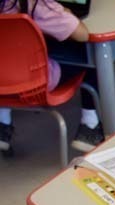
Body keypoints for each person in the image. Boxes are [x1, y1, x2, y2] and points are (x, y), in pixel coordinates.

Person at [0, 0, 104, 155]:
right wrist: (65, 13)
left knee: (9, 53)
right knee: (91, 54)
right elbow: (82, 35)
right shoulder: (40, 6)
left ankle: (2, 124)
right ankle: (90, 126)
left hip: (3, 82)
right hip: (36, 84)